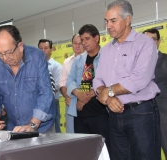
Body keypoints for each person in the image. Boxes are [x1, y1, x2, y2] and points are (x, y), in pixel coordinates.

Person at [93, 0, 161, 159]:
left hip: (141, 114)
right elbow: (98, 80)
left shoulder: (144, 43)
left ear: (128, 19)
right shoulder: (107, 49)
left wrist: (108, 92)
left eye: (113, 20)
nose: (108, 25)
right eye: (106, 21)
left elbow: (139, 79)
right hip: (114, 115)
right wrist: (109, 99)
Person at [0, 25, 55, 133]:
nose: (4, 58)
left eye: (8, 52)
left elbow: (45, 93)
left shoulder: (37, 57)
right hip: (15, 128)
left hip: (42, 127)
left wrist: (32, 125)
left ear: (20, 46)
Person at [66, 25, 110, 151]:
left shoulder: (106, 57)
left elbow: (108, 81)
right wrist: (77, 93)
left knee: (104, 151)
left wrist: (86, 97)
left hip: (100, 114)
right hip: (80, 115)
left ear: (97, 38)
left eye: (87, 39)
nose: (84, 43)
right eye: (82, 40)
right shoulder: (78, 60)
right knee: (84, 151)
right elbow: (70, 80)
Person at [143, 28, 167, 157]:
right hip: (143, 115)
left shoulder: (166, 60)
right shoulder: (136, 64)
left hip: (164, 115)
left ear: (158, 42)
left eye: (152, 40)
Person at [59, 34, 85, 133]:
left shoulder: (89, 59)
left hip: (87, 102)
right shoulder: (67, 61)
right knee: (72, 133)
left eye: (80, 43)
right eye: (75, 43)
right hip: (71, 102)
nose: (77, 46)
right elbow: (62, 83)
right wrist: (67, 97)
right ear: (72, 44)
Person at [38, 39, 62, 133]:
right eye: (40, 48)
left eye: (46, 48)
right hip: (38, 105)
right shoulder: (36, 66)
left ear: (51, 49)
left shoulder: (56, 66)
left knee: (55, 131)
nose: (43, 50)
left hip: (52, 103)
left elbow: (56, 87)